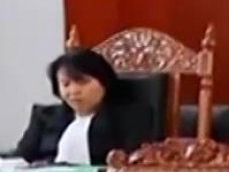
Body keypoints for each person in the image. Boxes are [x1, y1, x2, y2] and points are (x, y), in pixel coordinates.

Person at [13, 47, 155, 165]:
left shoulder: (132, 116)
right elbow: (20, 160)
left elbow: (134, 162)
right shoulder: (44, 117)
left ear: (104, 81)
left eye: (82, 82)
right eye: (66, 84)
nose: (74, 91)